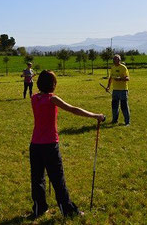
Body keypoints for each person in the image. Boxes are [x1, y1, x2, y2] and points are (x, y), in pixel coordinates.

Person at [29, 70, 105, 219]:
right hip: (50, 145)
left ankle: (39, 208)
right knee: (57, 179)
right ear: (53, 84)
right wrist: (96, 116)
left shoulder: (34, 98)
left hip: (35, 145)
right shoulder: (52, 99)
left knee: (37, 178)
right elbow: (73, 109)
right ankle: (68, 210)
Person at [105, 55, 130, 126]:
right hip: (115, 90)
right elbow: (110, 78)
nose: (115, 61)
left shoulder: (123, 67)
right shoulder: (112, 68)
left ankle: (127, 122)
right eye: (114, 60)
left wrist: (120, 79)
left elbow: (128, 78)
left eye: (117, 60)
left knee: (124, 106)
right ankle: (114, 120)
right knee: (114, 106)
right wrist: (108, 87)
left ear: (120, 60)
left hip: (123, 90)